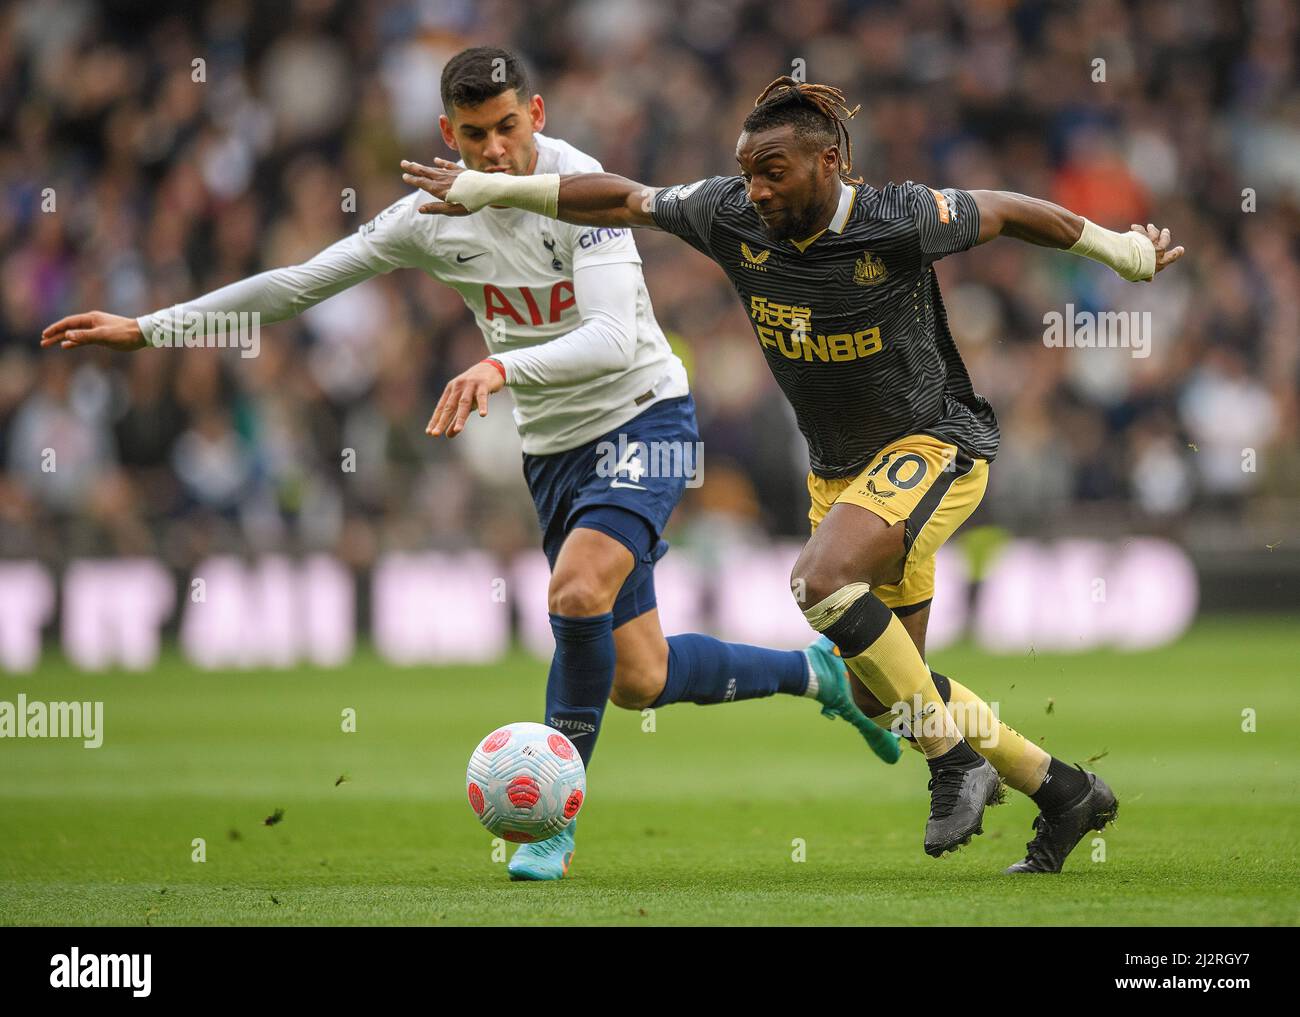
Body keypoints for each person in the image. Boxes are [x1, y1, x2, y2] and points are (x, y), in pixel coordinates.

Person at [40, 55, 900, 882]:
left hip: (650, 415)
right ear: (447, 134)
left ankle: (552, 822)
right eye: (474, 134)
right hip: (555, 449)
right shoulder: (428, 219)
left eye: (507, 128)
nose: (495, 150)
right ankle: (814, 671)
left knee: (575, 591)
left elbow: (608, 339)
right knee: (641, 678)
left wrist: (498, 367)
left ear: (537, 117)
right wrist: (151, 327)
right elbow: (299, 283)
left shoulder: (582, 190)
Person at [399, 74, 1186, 871]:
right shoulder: (730, 214)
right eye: (747, 171)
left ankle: (956, 763)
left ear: (830, 162)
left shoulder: (901, 217)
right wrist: (491, 187)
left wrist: (1117, 249)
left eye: (774, 170)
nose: (757, 188)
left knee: (817, 581)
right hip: (842, 477)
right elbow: (623, 199)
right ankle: (1064, 791)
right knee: (888, 693)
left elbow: (1014, 210)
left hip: (935, 444)